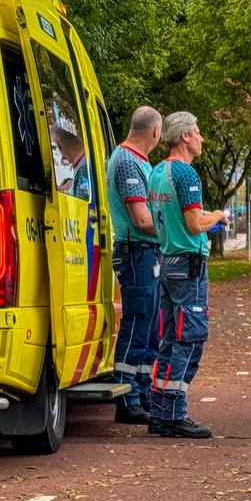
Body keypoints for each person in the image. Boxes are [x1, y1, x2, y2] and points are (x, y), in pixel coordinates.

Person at [145, 111, 229, 438]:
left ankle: (159, 409)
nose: (201, 138)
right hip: (189, 263)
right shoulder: (186, 174)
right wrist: (218, 215)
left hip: (167, 259)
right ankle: (175, 413)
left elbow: (173, 216)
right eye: (198, 132)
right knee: (189, 338)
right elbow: (195, 225)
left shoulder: (156, 173)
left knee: (168, 338)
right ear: (185, 137)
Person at [106, 106, 162, 424]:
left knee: (149, 327)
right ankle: (127, 398)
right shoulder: (128, 161)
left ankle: (141, 391)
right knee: (137, 324)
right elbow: (141, 218)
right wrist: (174, 226)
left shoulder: (138, 160)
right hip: (136, 252)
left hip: (145, 254)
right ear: (155, 132)